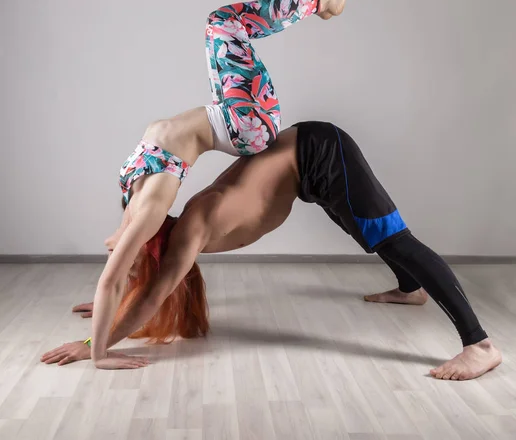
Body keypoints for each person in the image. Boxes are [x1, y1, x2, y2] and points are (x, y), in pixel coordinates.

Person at [43, 122, 501, 380]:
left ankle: (479, 344)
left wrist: (93, 345)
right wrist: (106, 309)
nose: (131, 267)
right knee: (367, 233)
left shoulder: (191, 232)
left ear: (152, 249)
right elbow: (135, 281)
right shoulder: (180, 229)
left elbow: (148, 296)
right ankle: (411, 288)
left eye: (135, 265)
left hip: (320, 153)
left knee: (392, 237)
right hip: (306, 170)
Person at [88, 0, 371, 369]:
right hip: (248, 123)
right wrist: (97, 351)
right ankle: (323, 1)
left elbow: (117, 287)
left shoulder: (134, 208)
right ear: (147, 249)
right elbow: (119, 286)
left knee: (221, 24)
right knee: (223, 22)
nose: (123, 264)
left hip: (233, 115)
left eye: (128, 268)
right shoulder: (150, 210)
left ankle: (322, 2)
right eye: (133, 265)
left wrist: (106, 313)